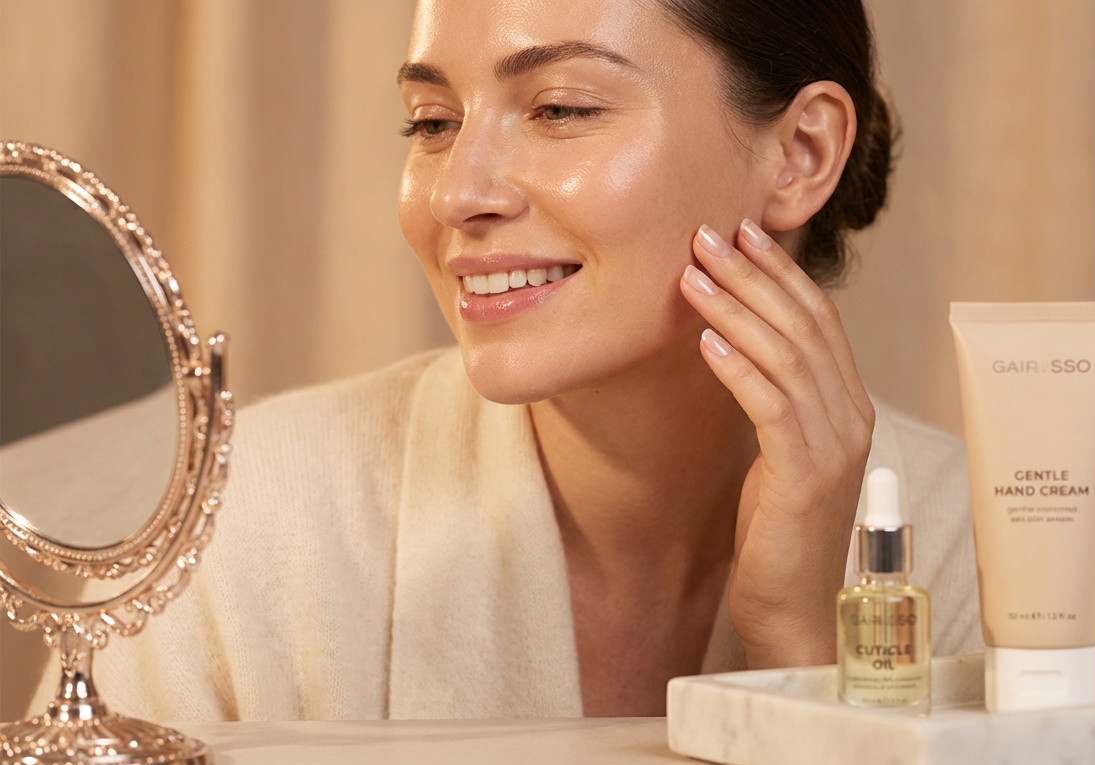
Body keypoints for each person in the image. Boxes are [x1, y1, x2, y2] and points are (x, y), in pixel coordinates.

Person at [29, 0, 980, 721]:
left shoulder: (980, 557)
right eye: (432, 122)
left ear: (801, 154)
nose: (457, 193)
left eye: (560, 108)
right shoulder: (231, 527)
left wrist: (797, 650)